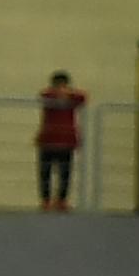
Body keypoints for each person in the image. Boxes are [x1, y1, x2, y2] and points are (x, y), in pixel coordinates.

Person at [32, 71, 86, 212]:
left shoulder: (72, 98)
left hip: (66, 141)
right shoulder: (48, 96)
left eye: (63, 85)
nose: (61, 88)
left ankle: (62, 200)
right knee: (45, 172)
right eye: (58, 85)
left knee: (65, 172)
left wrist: (67, 94)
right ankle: (46, 200)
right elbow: (43, 95)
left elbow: (83, 97)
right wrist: (59, 95)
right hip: (48, 140)